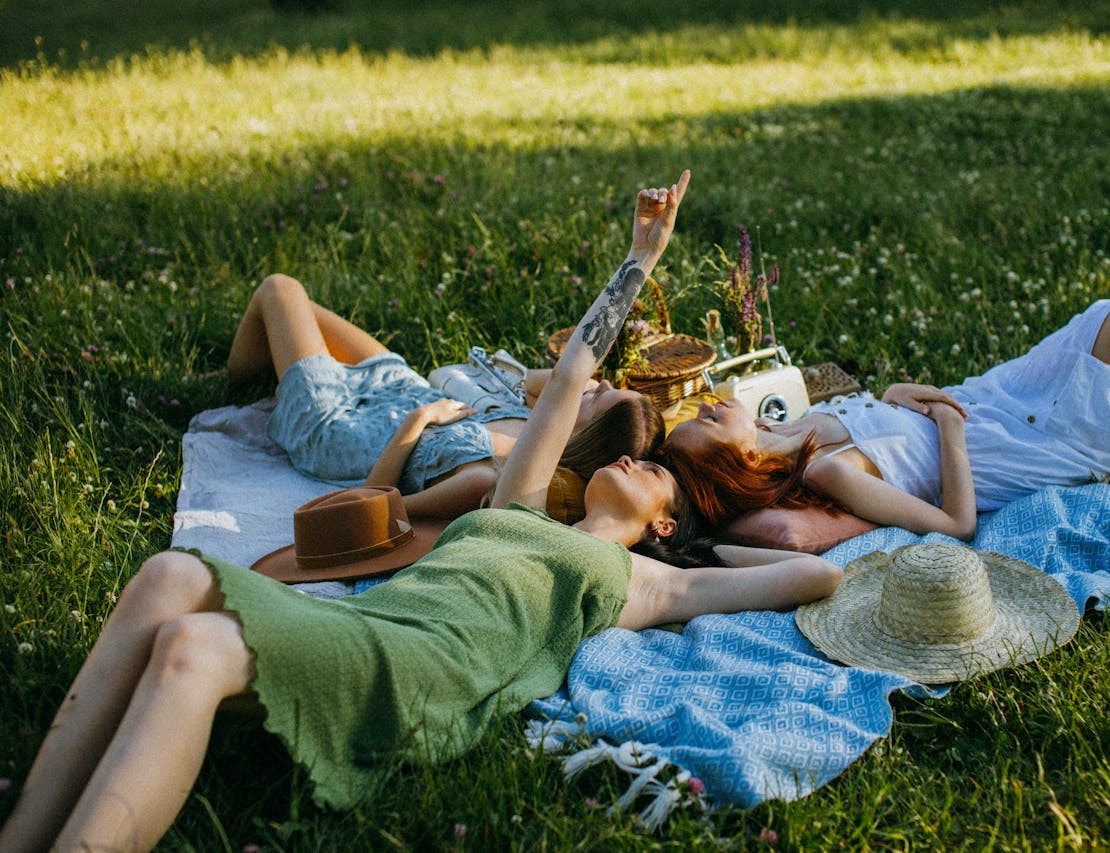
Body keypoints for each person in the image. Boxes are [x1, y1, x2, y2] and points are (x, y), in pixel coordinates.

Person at [0, 170, 843, 853]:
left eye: (654, 476)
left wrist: (710, 553)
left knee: (195, 644)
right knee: (169, 575)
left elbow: (809, 569)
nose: (633, 459)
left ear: (665, 526)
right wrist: (641, 255)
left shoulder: (642, 583)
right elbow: (580, 368)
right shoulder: (518, 501)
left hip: (419, 676)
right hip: (372, 633)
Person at [663, 289, 1110, 539]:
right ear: (740, 459)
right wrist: (951, 431)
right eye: (712, 420)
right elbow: (956, 524)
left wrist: (895, 393)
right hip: (1003, 441)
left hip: (986, 396)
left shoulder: (790, 430)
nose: (717, 403)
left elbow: (880, 420)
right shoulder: (825, 474)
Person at [225, 272, 665, 519]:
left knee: (279, 290)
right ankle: (266, 362)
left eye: (600, 399)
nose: (600, 384)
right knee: (295, 304)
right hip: (400, 388)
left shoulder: (488, 479)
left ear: (584, 436)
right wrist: (583, 393)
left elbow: (374, 509)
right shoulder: (538, 426)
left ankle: (232, 379)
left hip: (343, 428)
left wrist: (416, 422)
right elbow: (547, 381)